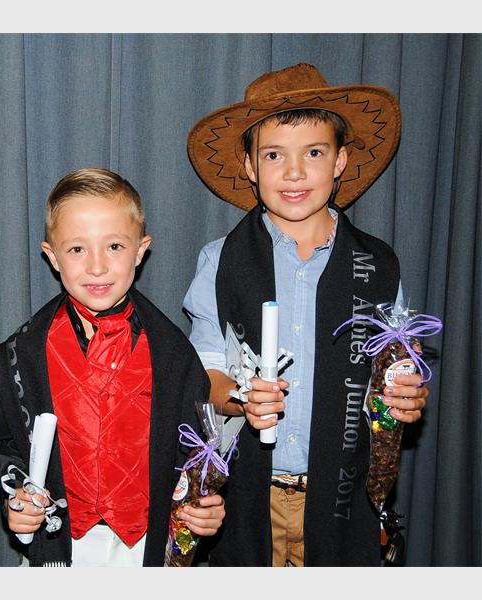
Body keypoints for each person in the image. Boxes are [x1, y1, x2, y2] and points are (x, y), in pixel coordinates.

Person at [183, 63, 428, 566]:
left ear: (340, 160)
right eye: (274, 155)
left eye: (313, 152)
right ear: (250, 166)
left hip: (343, 502)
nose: (293, 172)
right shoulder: (221, 260)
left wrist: (403, 398)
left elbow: (393, 373)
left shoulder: (377, 265)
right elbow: (204, 376)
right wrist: (241, 399)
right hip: (250, 501)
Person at [0, 168, 225, 566]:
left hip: (145, 544)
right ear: (52, 257)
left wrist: (205, 506)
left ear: (140, 250)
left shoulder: (175, 356)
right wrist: (18, 500)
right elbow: (8, 449)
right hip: (62, 543)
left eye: (114, 246)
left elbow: (196, 454)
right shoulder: (20, 355)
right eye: (77, 249)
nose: (97, 266)